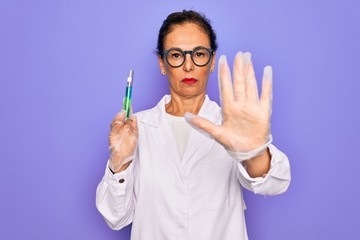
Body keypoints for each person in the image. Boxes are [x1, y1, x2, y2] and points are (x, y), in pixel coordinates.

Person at [96, 10, 291, 240]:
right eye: (177, 55)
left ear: (211, 61)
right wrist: (119, 163)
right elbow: (115, 218)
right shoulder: (137, 128)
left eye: (198, 54)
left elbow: (276, 183)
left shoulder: (232, 126)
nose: (188, 66)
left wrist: (254, 153)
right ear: (162, 63)